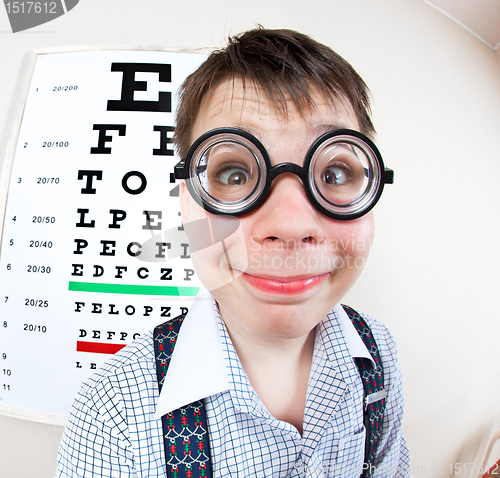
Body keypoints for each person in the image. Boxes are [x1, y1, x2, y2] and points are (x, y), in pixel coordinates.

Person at [56, 27, 410, 477]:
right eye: (236, 174)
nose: (289, 226)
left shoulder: (381, 356)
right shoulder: (112, 413)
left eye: (336, 173)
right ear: (188, 207)